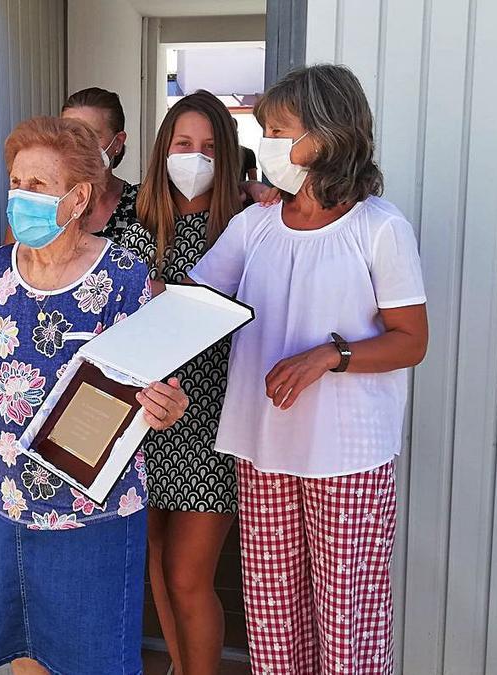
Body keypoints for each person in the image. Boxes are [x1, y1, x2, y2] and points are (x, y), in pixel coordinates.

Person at [189, 64, 428, 674]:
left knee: (347, 631)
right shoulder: (256, 225)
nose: (267, 142)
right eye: (265, 128)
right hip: (265, 450)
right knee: (273, 627)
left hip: (347, 457)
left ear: (329, 136)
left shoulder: (379, 229)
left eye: (280, 129)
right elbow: (189, 303)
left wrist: (331, 354)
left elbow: (410, 341)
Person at [0, 116, 191, 675]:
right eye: (15, 182)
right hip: (8, 505)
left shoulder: (126, 274)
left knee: (95, 660)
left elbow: (157, 388)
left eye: (37, 186)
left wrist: (166, 408)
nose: (19, 197)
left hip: (93, 515)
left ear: (79, 197)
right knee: (24, 652)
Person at [115, 90, 244, 675]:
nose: (195, 157)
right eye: (184, 144)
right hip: (141, 421)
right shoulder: (130, 228)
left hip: (212, 425)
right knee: (159, 568)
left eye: (211, 148)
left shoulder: (245, 227)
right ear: (162, 149)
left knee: (190, 577)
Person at [3, 86, 137, 244]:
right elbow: (12, 260)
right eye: (69, 134)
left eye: (91, 135)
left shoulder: (142, 206)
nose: (78, 145)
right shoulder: (39, 202)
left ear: (118, 143)